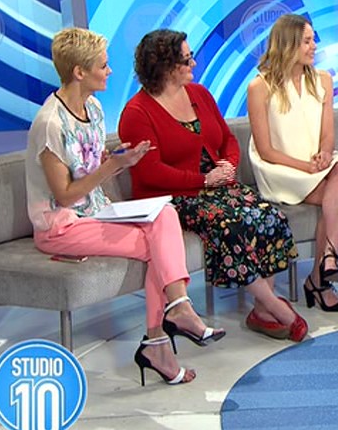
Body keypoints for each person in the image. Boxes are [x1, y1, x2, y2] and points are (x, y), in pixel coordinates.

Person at [25, 27, 217, 387]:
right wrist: (112, 166)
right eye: (103, 65)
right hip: (61, 225)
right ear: (79, 72)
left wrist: (120, 159)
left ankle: (174, 317)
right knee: (158, 245)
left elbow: (91, 162)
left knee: (166, 214)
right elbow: (64, 196)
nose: (110, 71)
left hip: (96, 210)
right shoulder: (50, 124)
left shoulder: (94, 108)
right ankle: (162, 335)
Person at [119, 29, 307, 342]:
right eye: (186, 59)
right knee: (230, 225)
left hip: (219, 186)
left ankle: (262, 311)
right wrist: (203, 180)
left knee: (268, 215)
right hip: (175, 198)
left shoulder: (200, 94)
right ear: (165, 66)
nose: (193, 63)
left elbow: (227, 139)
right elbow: (151, 173)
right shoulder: (137, 113)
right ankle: (275, 305)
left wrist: (228, 165)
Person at [247, 14, 338, 313]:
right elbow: (265, 150)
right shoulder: (260, 87)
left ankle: (327, 261)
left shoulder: (322, 80)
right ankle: (320, 281)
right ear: (288, 44)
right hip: (280, 169)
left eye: (313, 39)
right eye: (307, 41)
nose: (314, 46)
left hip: (315, 167)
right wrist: (303, 167)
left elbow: (328, 134)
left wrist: (325, 153)